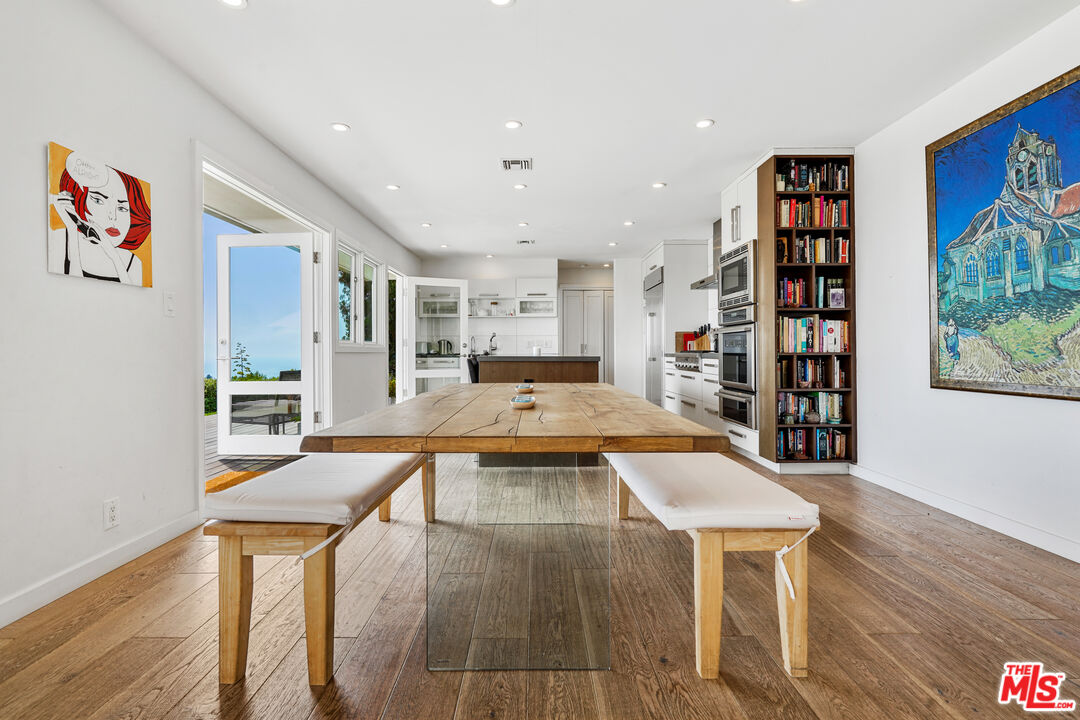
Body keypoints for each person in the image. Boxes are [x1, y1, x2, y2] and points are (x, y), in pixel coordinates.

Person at [48, 154, 151, 285]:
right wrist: (72, 229)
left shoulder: (133, 262)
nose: (112, 216)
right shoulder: (59, 240)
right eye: (98, 200)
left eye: (122, 208)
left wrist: (113, 255)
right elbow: (72, 288)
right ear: (78, 199)